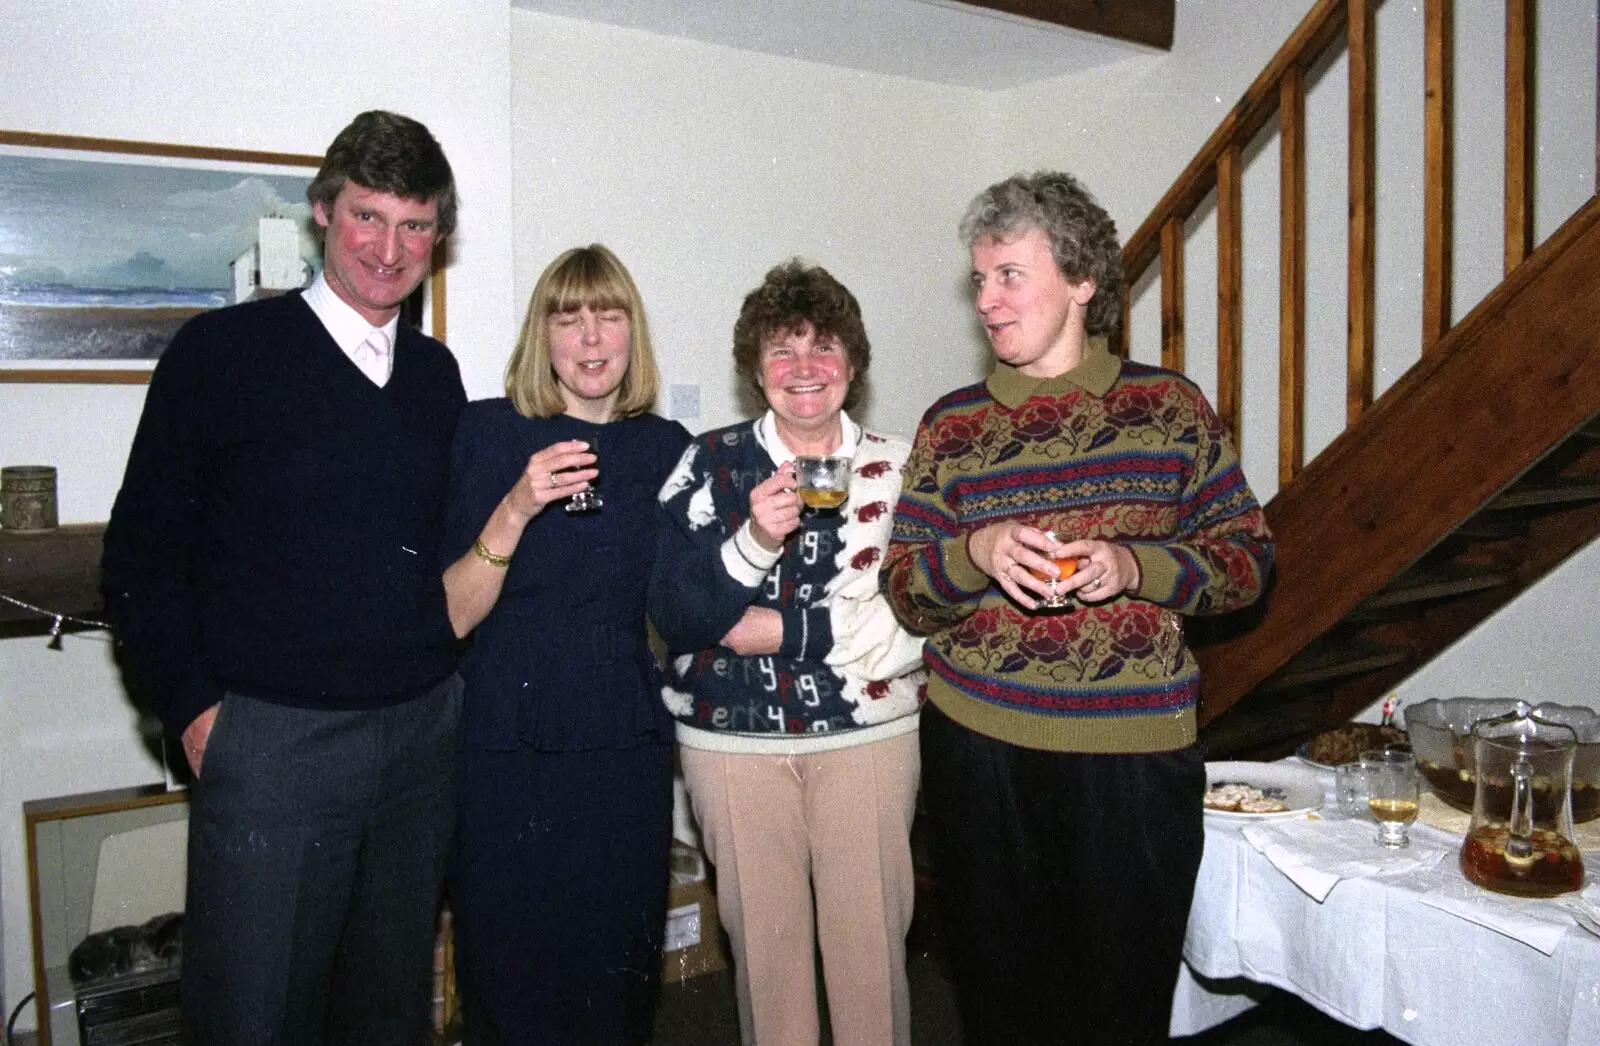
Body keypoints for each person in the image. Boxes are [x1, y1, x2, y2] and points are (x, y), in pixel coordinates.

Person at [881, 172, 1274, 1045]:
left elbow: (1247, 563)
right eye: (978, 280)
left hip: (1129, 758)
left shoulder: (1169, 408)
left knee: (1119, 1004)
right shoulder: (952, 426)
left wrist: (1134, 566)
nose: (987, 300)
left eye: (1009, 275)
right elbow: (906, 589)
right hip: (978, 748)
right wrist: (976, 553)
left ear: (1082, 281)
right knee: (997, 1001)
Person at [102, 110, 465, 1045]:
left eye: (415, 224)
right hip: (273, 747)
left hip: (419, 741)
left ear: (437, 235)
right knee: (254, 1017)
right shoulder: (220, 356)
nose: (390, 247)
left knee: (386, 1014)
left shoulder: (435, 375)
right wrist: (191, 709)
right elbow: (140, 555)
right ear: (320, 214)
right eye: (368, 217)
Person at [650, 260, 927, 1046]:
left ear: (854, 364)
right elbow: (676, 613)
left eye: (825, 347)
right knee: (768, 974)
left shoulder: (905, 467)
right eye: (782, 349)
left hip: (868, 741)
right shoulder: (708, 463)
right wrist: (753, 541)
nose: (804, 369)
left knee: (871, 965)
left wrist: (787, 631)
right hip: (732, 747)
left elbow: (925, 614)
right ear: (755, 369)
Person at [442, 244, 691, 1045]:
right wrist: (515, 508)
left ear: (632, 333)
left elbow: (688, 600)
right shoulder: (485, 433)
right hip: (505, 746)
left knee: (614, 978)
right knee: (510, 975)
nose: (590, 339)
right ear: (541, 336)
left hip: (621, 740)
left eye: (608, 316)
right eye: (569, 317)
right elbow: (449, 617)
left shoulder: (664, 447)